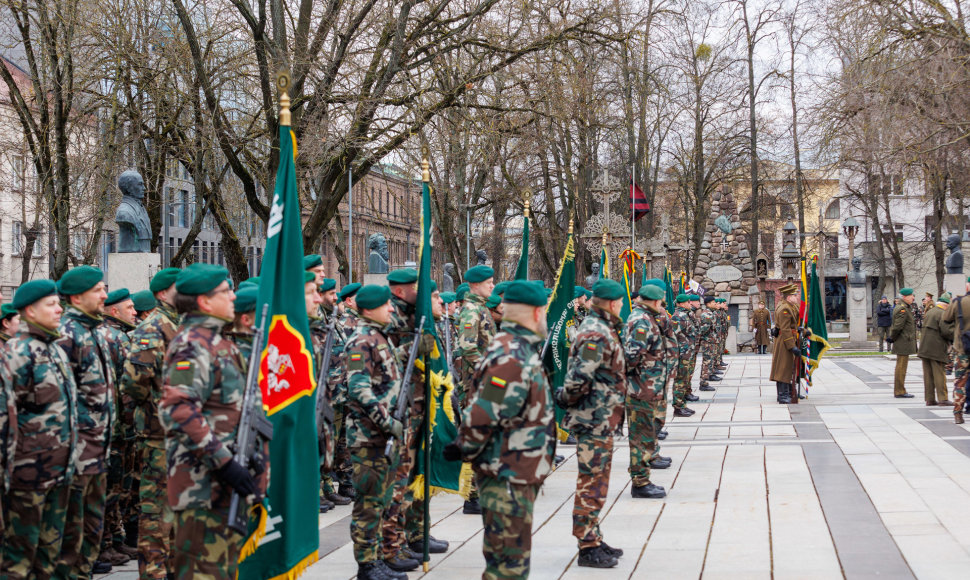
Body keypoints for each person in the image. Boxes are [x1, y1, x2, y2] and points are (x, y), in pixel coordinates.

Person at [160, 264, 268, 580]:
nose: (233, 296)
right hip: (202, 485)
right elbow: (178, 410)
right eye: (226, 291)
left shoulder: (220, 342)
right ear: (205, 302)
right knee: (202, 572)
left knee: (222, 570)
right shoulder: (193, 344)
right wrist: (224, 462)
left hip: (224, 483)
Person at [447, 280, 556, 580]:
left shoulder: (515, 348)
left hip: (514, 470)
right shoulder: (511, 355)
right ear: (536, 313)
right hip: (507, 473)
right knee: (508, 567)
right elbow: (484, 413)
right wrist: (467, 447)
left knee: (507, 563)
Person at [0, 280, 77, 579]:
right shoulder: (17, 354)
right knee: (19, 561)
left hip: (57, 473)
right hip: (26, 478)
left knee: (49, 558)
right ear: (30, 310)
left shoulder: (54, 349)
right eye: (51, 304)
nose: (59, 309)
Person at [557, 279, 627, 568]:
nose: (622, 307)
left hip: (602, 417)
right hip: (592, 418)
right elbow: (579, 377)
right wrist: (567, 397)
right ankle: (587, 545)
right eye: (620, 302)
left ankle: (594, 535)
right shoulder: (596, 333)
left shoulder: (603, 328)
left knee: (598, 480)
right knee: (591, 482)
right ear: (612, 303)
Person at [53, 265, 114, 578]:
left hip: (98, 449)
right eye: (98, 290)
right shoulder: (67, 333)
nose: (104, 295)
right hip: (76, 453)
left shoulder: (95, 330)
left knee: (92, 530)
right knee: (71, 535)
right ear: (77, 296)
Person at [344, 285, 408, 580]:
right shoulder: (361, 341)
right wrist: (386, 421)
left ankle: (377, 558)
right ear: (369, 309)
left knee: (381, 500)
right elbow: (358, 389)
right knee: (369, 503)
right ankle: (366, 565)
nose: (392, 309)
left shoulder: (379, 336)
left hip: (382, 436)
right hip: (368, 436)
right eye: (386, 305)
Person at [122, 267, 180, 580]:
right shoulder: (154, 327)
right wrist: (158, 406)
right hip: (159, 436)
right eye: (177, 287)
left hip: (179, 436)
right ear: (162, 294)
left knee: (175, 513)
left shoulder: (179, 323)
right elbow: (133, 383)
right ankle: (154, 574)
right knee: (156, 516)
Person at [98, 289, 139, 566]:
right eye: (129, 308)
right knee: (113, 487)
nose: (134, 312)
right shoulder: (114, 338)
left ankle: (113, 541)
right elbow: (125, 386)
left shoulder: (113, 336)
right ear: (115, 311)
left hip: (118, 426)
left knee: (116, 487)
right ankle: (106, 544)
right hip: (118, 427)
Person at [454, 265, 496, 515]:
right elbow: (467, 347)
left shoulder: (480, 308)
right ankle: (471, 496)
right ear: (475, 285)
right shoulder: (471, 310)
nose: (492, 286)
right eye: (488, 282)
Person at [622, 283, 669, 499]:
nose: (661, 305)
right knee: (641, 436)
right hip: (641, 388)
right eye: (659, 301)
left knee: (645, 434)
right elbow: (632, 356)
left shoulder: (643, 317)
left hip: (646, 387)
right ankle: (640, 483)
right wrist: (640, 379)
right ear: (654, 301)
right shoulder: (642, 321)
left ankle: (642, 478)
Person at [918, 294, 953, 406]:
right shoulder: (943, 313)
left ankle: (930, 399)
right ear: (946, 305)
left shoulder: (930, 312)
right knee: (939, 373)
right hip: (936, 348)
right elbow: (946, 331)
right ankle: (943, 398)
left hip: (925, 348)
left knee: (928, 375)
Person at [942, 279, 970, 423]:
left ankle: (958, 413)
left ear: (967, 286)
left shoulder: (959, 302)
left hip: (962, 349)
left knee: (960, 383)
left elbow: (946, 319)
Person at [770, 283, 801, 404]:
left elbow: (793, 325)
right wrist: (792, 346)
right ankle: (782, 396)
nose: (797, 297)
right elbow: (786, 329)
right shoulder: (784, 309)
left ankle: (789, 392)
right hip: (784, 342)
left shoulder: (790, 306)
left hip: (788, 339)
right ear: (789, 297)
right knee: (783, 368)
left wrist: (801, 330)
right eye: (794, 295)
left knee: (789, 368)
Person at [670, 294, 697, 416]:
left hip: (688, 352)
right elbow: (673, 336)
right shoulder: (678, 317)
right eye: (687, 302)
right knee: (680, 380)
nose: (689, 303)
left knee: (685, 379)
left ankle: (683, 404)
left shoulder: (686, 315)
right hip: (682, 353)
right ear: (681, 304)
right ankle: (678, 407)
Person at [890, 288, 917, 399]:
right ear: (904, 297)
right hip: (903, 341)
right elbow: (897, 326)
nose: (913, 297)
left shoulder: (905, 308)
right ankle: (899, 391)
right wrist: (892, 338)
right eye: (911, 295)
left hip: (903, 341)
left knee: (901, 367)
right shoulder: (903, 309)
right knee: (901, 368)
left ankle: (900, 390)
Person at [696, 296, 719, 392]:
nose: (715, 303)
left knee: (709, 362)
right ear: (708, 304)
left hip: (711, 341)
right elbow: (704, 329)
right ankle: (703, 383)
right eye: (713, 302)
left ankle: (706, 380)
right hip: (707, 342)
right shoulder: (706, 314)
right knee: (707, 362)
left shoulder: (711, 313)